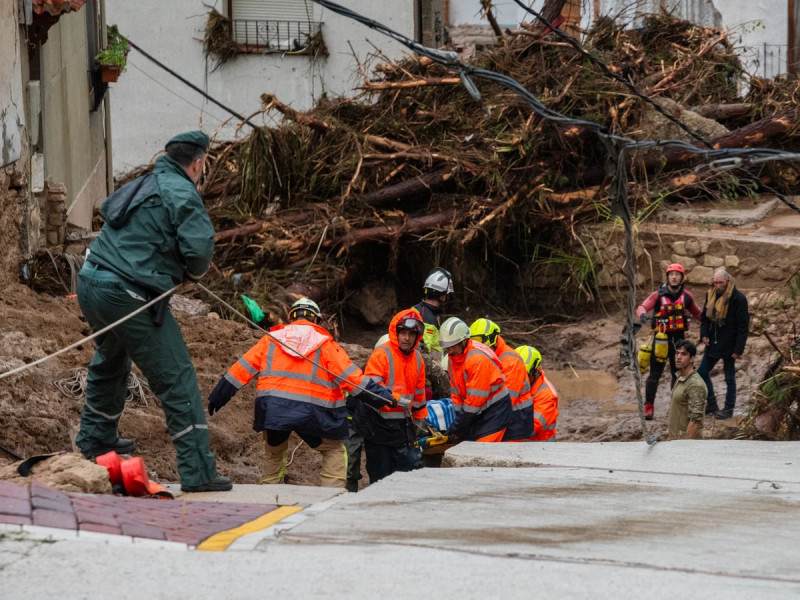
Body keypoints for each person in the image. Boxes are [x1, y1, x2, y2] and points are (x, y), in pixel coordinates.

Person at [75, 130, 231, 493]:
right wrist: (191, 273)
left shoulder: (144, 183)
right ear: (197, 163)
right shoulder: (183, 192)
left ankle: (97, 440)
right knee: (177, 377)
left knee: (111, 358)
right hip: (127, 293)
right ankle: (198, 472)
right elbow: (200, 247)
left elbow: (118, 218)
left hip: (89, 281)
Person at [206, 298, 395, 488]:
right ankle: (331, 499)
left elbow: (240, 370)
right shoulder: (326, 345)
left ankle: (270, 496)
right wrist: (384, 398)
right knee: (333, 451)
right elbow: (354, 380)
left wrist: (218, 397)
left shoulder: (270, 340)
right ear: (317, 320)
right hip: (315, 413)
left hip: (274, 411)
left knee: (274, 452)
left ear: (291, 317)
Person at [354, 310, 427, 484]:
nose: (407, 338)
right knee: (381, 478)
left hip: (403, 428)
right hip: (378, 427)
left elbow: (419, 394)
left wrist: (420, 420)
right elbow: (372, 390)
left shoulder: (417, 358)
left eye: (411, 334)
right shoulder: (381, 354)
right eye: (403, 333)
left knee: (410, 475)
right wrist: (395, 399)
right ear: (396, 333)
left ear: (417, 336)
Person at [636, 263, 703, 420]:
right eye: (671, 274)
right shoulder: (658, 295)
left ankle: (674, 406)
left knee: (677, 374)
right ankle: (648, 406)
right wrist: (643, 315)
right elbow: (642, 307)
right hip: (660, 340)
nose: (674, 277)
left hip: (678, 341)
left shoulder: (687, 297)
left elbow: (698, 314)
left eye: (677, 274)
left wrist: (712, 324)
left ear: (681, 278)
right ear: (668, 277)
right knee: (655, 374)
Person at [438, 317, 512, 442]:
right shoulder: (452, 359)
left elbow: (475, 400)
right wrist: (458, 421)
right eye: (447, 346)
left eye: (453, 345)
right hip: (477, 410)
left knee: (481, 449)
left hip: (496, 410)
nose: (449, 350)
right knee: (469, 444)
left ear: (464, 341)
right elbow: (456, 392)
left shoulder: (477, 359)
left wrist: (458, 426)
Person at [698, 268, 749, 420]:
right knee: (701, 373)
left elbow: (743, 326)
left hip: (729, 344)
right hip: (713, 342)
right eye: (715, 283)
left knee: (729, 378)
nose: (718, 286)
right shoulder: (710, 294)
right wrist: (704, 334)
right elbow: (705, 319)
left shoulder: (738, 298)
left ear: (727, 282)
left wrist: (739, 348)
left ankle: (729, 408)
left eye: (720, 283)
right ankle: (712, 403)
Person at [469, 318, 533, 441]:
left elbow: (507, 402)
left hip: (514, 426)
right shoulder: (483, 358)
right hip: (496, 418)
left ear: (493, 342)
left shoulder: (511, 362)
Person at [515, 346, 559, 442]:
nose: (519, 378)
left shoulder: (547, 396)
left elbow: (530, 429)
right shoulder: (521, 384)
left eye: (524, 375)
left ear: (535, 372)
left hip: (540, 451)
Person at [668, 340, 707, 439]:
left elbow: (695, 421)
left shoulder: (695, 384)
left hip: (686, 446)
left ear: (692, 359)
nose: (678, 357)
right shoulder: (681, 378)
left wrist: (685, 447)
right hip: (675, 442)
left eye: (684, 354)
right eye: (677, 353)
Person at [413, 267, 454, 355]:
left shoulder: (415, 309)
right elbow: (424, 353)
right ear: (442, 297)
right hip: (430, 367)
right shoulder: (429, 319)